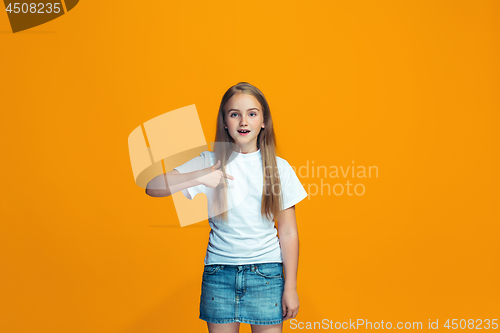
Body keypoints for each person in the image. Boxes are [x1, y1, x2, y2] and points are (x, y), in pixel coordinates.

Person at [145, 82, 307, 333]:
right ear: (224, 121)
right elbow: (153, 187)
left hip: (266, 274)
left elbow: (288, 232)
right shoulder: (209, 162)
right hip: (219, 274)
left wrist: (291, 287)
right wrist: (198, 177)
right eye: (235, 114)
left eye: (252, 114)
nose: (243, 121)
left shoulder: (278, 167)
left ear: (263, 121)